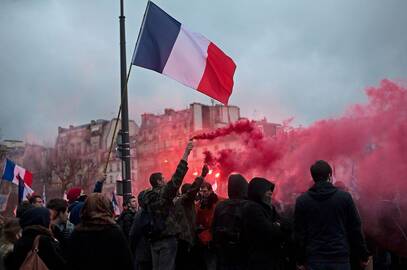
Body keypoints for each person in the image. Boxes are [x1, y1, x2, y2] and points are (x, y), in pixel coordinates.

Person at [294, 160, 369, 270]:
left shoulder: (302, 201)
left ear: (313, 177)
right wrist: (363, 255)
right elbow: (355, 229)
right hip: (339, 257)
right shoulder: (344, 198)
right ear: (330, 175)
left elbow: (299, 233)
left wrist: (300, 259)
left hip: (315, 258)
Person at [142, 140, 193, 270]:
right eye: (163, 179)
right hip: (167, 239)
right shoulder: (164, 194)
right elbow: (177, 178)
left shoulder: (146, 197)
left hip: (153, 239)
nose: (165, 180)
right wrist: (186, 153)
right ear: (159, 182)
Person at [67, 193, 133, 270]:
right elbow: (126, 262)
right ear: (107, 208)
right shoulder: (114, 231)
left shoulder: (77, 233)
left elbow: (71, 262)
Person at [243, 177, 284, 270]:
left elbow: (283, 223)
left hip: (271, 258)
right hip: (259, 260)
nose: (270, 194)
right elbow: (269, 231)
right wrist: (277, 226)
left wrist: (277, 225)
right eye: (267, 192)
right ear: (258, 192)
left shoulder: (269, 208)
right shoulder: (252, 208)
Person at [174, 164, 208, 270]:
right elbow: (192, 191)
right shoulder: (184, 201)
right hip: (186, 241)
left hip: (183, 240)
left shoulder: (180, 202)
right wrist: (202, 176)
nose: (197, 194)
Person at [212, 174, 249, 270]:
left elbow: (214, 227)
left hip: (223, 253)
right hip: (242, 253)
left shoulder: (220, 206)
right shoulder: (248, 206)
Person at [195, 181, 222, 270]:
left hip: (217, 236)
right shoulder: (199, 204)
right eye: (201, 191)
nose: (203, 194)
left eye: (205, 191)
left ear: (210, 191)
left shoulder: (220, 201)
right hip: (205, 238)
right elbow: (197, 221)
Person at [129, 191, 152, 270]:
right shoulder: (141, 214)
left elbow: (132, 235)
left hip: (144, 253)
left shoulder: (140, 214)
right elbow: (133, 234)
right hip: (146, 252)